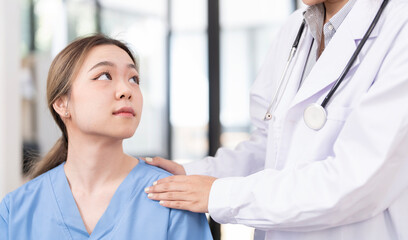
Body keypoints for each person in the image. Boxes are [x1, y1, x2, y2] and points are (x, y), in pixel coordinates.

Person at [143, 0, 408, 239]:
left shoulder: (399, 26)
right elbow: (270, 149)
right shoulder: (296, 28)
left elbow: (356, 181)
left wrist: (219, 195)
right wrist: (194, 175)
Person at [0, 35, 213, 240]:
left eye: (134, 79)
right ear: (62, 103)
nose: (126, 90)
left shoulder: (173, 198)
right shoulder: (16, 209)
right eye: (104, 76)